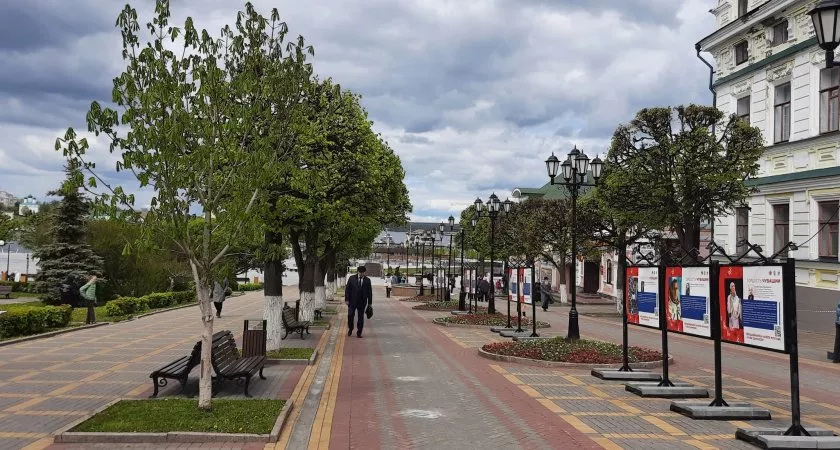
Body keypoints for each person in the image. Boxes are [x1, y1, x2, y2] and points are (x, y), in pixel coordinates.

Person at [345, 266, 372, 338]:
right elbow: (347, 289)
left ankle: (359, 332)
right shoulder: (352, 278)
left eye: (363, 273)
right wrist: (346, 299)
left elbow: (369, 292)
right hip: (352, 301)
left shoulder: (367, 280)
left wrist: (370, 303)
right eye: (360, 272)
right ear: (358, 272)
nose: (361, 274)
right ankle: (350, 328)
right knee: (350, 315)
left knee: (361, 317)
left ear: (365, 272)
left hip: (362, 302)